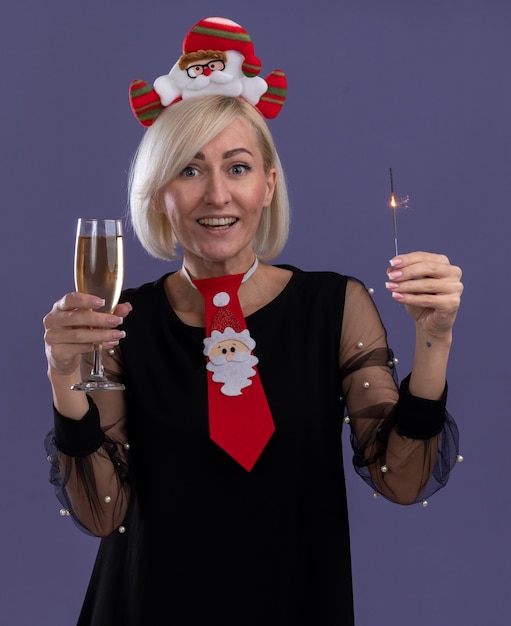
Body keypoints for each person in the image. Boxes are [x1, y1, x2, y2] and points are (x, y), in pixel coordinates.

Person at [43, 16, 463, 626]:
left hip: (295, 602)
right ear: (160, 192)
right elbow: (101, 514)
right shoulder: (120, 323)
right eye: (189, 170)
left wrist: (435, 342)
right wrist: (63, 377)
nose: (217, 194)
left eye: (237, 167)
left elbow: (401, 478)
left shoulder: (335, 307)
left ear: (267, 184)